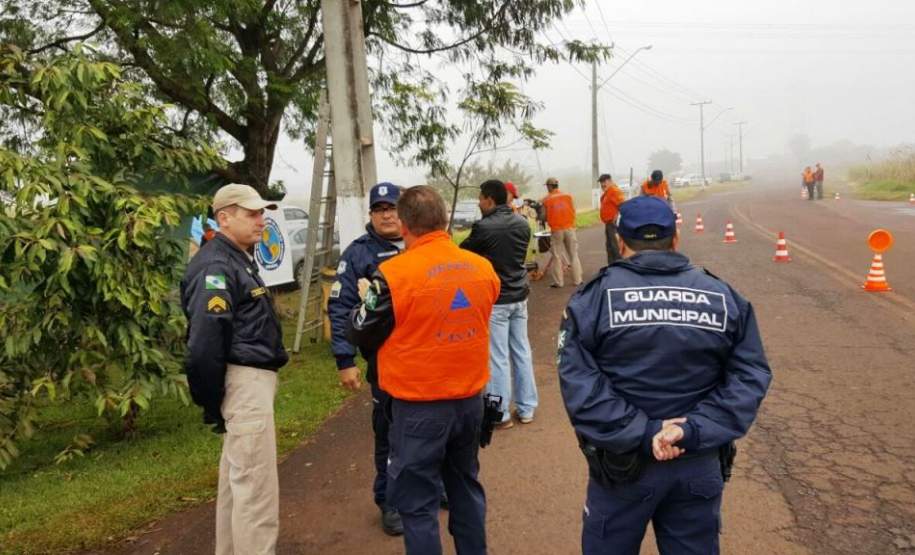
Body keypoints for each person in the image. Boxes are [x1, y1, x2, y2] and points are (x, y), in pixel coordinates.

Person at [557, 195, 772, 555]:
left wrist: (644, 433)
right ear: (676, 239)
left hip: (623, 467)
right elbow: (750, 375)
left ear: (621, 242)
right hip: (697, 462)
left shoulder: (592, 299)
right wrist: (691, 429)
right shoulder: (721, 295)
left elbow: (579, 383)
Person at [347, 186, 500, 555]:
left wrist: (367, 295)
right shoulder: (482, 268)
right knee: (465, 488)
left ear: (403, 224)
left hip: (418, 409)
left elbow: (360, 330)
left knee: (417, 504)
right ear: (444, 219)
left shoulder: (392, 275)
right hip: (469, 404)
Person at [180, 183, 290, 555]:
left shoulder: (237, 257)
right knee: (255, 494)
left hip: (248, 385)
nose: (262, 220)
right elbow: (204, 346)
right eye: (252, 213)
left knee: (237, 488)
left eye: (262, 212)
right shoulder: (217, 265)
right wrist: (212, 402)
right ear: (224, 218)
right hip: (242, 385)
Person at [326, 182, 406, 535]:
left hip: (428, 358)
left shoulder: (422, 242)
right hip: (385, 359)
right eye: (380, 209)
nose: (387, 214)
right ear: (371, 215)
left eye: (393, 208)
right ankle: (389, 500)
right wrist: (345, 360)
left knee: (433, 427)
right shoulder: (358, 254)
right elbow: (340, 305)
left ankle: (435, 488)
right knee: (389, 431)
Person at [461, 180, 539, 429]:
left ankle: (500, 414)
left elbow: (463, 253)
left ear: (490, 200)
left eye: (481, 199)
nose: (478, 203)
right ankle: (527, 409)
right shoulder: (522, 223)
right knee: (522, 351)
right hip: (520, 296)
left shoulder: (483, 228)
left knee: (497, 357)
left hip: (496, 300)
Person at [541, 177, 583, 288]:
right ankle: (578, 280)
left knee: (557, 256)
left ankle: (559, 282)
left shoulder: (547, 200)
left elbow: (543, 217)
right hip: (570, 228)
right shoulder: (568, 196)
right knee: (573, 254)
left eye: (547, 186)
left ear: (550, 186)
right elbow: (573, 210)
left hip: (556, 230)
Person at [598, 173, 625, 265]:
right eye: (601, 182)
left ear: (610, 181)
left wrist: (617, 216)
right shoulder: (607, 192)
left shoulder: (614, 191)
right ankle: (612, 267)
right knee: (610, 246)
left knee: (615, 247)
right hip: (608, 224)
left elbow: (622, 205)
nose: (602, 184)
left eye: (604, 182)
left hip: (613, 224)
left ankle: (619, 267)